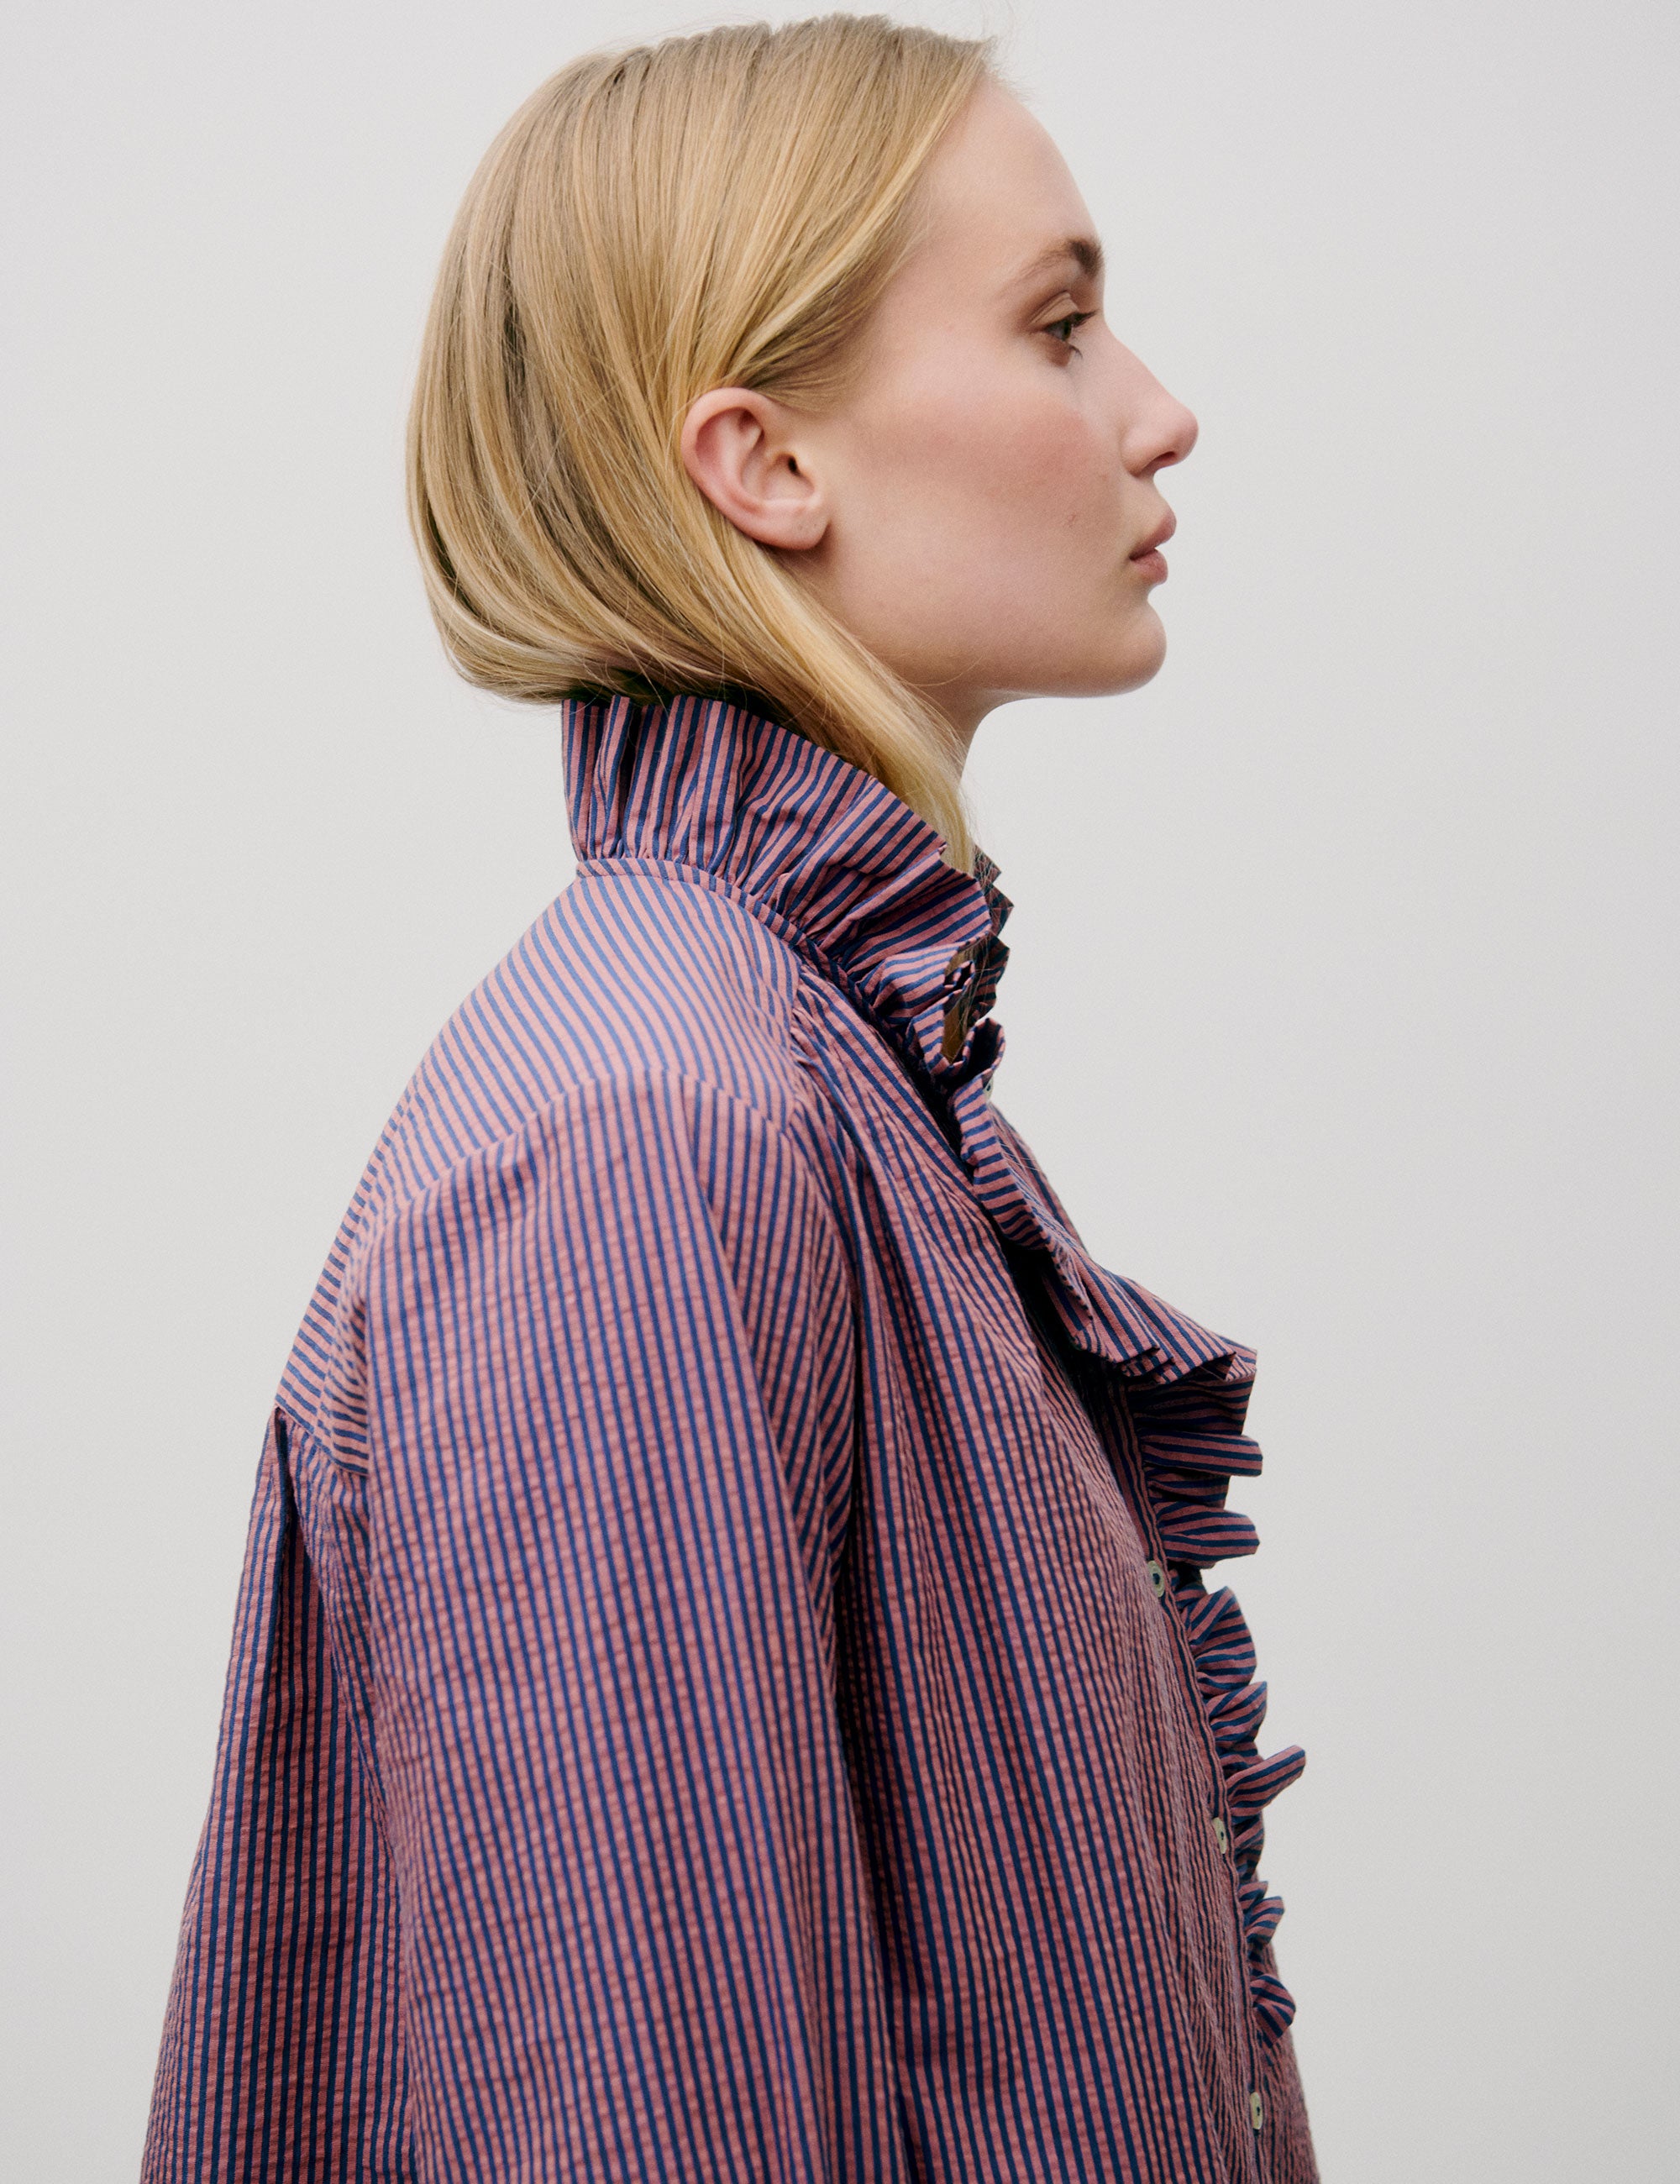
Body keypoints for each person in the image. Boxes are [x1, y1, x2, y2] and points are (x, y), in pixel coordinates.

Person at [141, 15, 1317, 2180]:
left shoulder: (811, 1071)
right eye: (1058, 326)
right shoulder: (652, 1132)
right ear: (763, 461)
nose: (1158, 412)